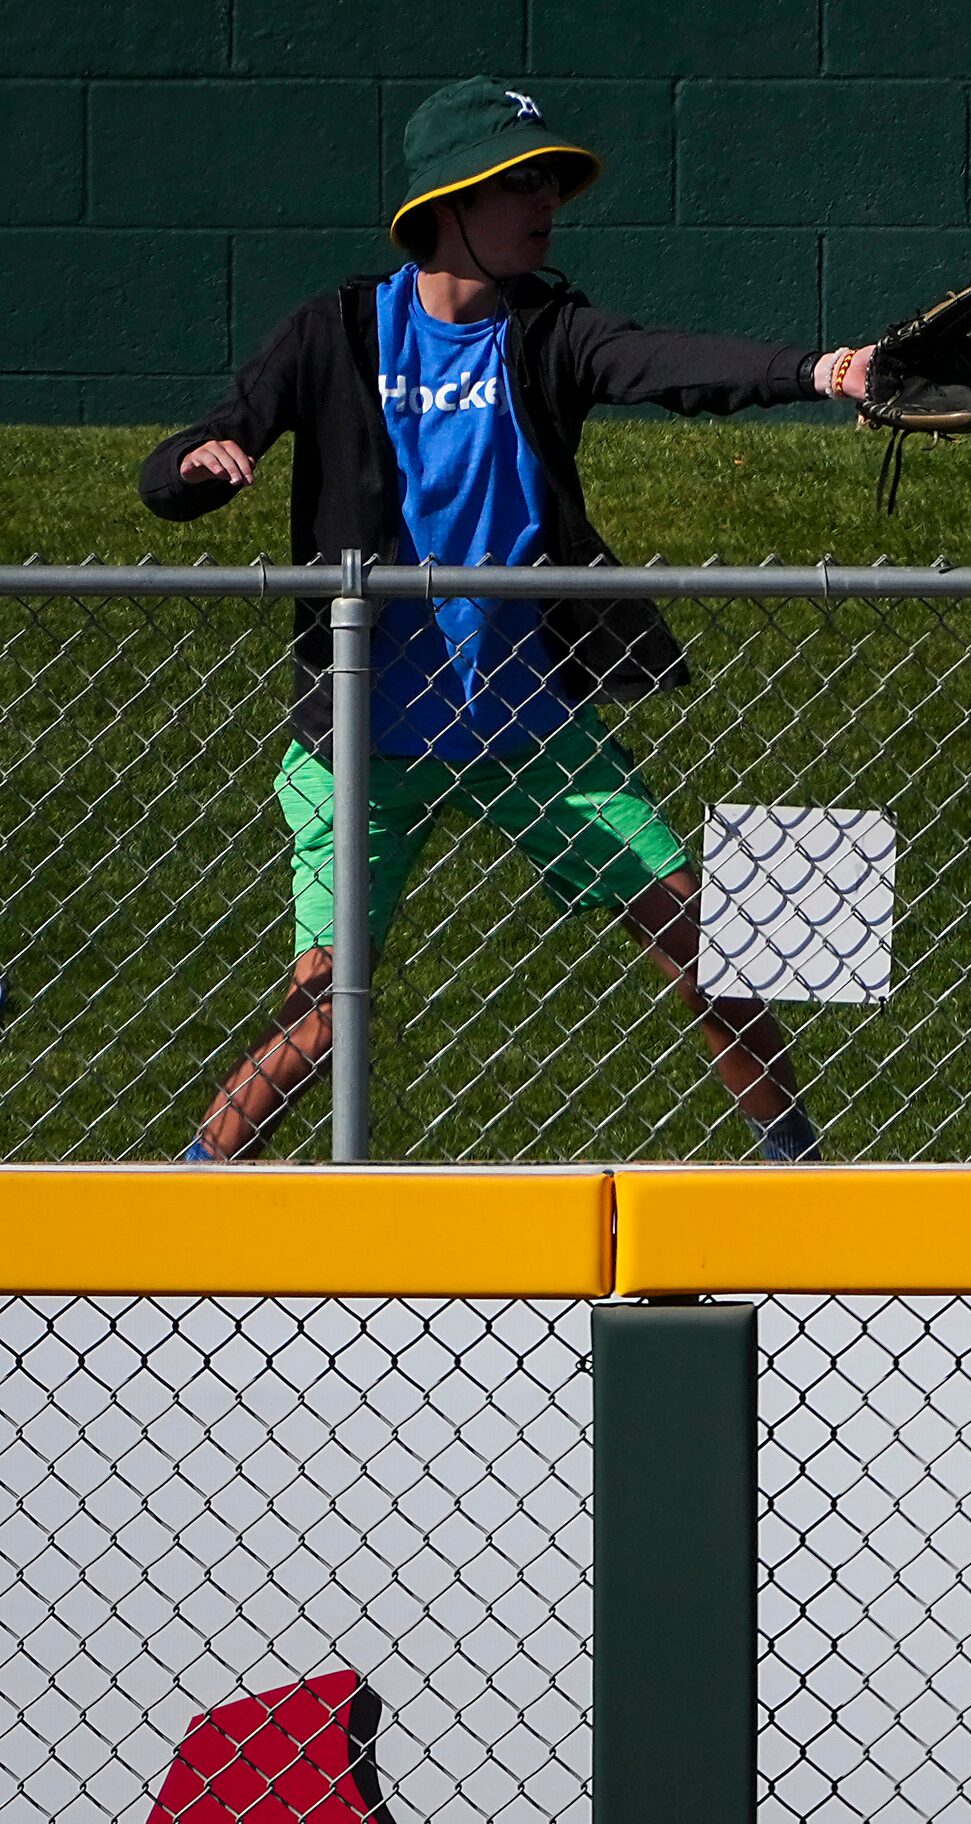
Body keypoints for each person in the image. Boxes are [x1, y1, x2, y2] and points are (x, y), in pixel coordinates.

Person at [140, 77, 888, 1162]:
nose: (544, 205)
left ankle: (799, 1167)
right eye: (517, 185)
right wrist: (199, 470)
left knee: (697, 936)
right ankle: (193, 1190)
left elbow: (668, 364)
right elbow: (192, 453)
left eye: (549, 184)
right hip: (363, 739)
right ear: (447, 205)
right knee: (324, 1003)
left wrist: (817, 371)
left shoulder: (549, 332)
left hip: (528, 726)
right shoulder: (338, 329)